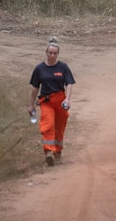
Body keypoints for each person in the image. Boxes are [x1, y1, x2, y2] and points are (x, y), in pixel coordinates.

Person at [29, 37, 75, 167]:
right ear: (46, 52)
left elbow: (69, 83)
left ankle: (58, 151)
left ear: (58, 54)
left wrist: (68, 99)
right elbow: (34, 88)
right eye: (50, 53)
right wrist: (31, 104)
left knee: (59, 128)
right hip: (46, 101)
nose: (52, 55)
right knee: (48, 125)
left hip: (60, 101)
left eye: (55, 53)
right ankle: (49, 152)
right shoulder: (39, 69)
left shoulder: (63, 67)